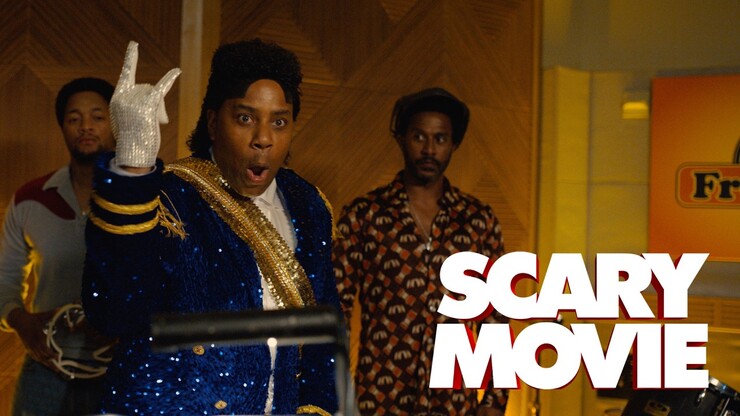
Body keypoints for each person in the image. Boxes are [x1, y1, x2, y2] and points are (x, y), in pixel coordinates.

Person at [81, 39, 341, 415]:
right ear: (213, 122)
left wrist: (317, 408)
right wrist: (133, 168)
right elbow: (114, 313)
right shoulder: (169, 196)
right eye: (245, 118)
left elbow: (323, 335)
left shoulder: (308, 205)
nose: (263, 138)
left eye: (279, 122)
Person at [333, 87, 509, 415]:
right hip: (380, 399)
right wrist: (335, 394)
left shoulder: (478, 220)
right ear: (401, 138)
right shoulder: (364, 214)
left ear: (454, 144)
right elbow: (336, 311)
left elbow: (495, 315)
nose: (429, 149)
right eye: (419, 137)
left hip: (454, 402)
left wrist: (494, 400)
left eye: (440, 139)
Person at [0, 77, 116, 415]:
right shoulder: (29, 199)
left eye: (98, 116)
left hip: (121, 368)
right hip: (45, 368)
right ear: (63, 127)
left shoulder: (143, 199)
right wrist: (21, 321)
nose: (86, 126)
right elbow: (5, 279)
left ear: (116, 124)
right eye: (74, 118)